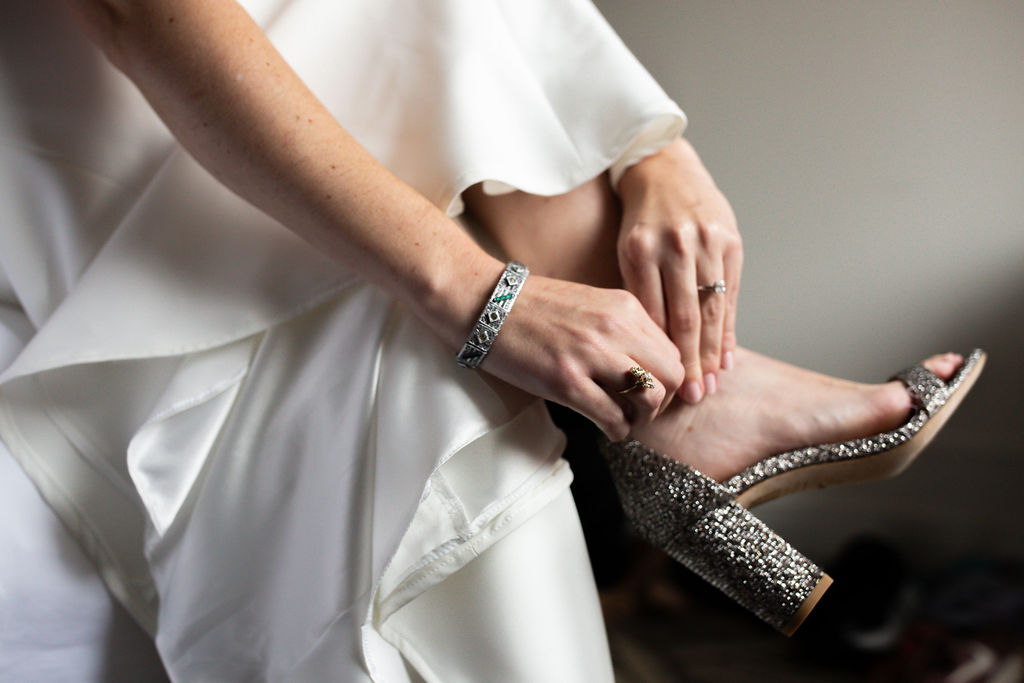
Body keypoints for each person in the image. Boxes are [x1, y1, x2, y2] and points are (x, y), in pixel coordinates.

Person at [0, 0, 981, 680]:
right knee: (391, 346)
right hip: (71, 159)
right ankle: (691, 403)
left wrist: (652, 154)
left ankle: (685, 400)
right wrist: (475, 288)